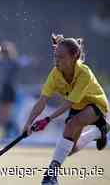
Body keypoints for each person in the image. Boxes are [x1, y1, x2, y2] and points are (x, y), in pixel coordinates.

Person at [23, 34, 110, 185]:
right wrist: (28, 123)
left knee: (72, 123)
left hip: (96, 105)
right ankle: (98, 132)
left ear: (74, 56)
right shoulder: (55, 74)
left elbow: (68, 103)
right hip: (77, 106)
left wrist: (48, 119)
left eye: (61, 57)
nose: (57, 60)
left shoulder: (84, 73)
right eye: (56, 56)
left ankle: (50, 176)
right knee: (68, 150)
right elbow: (42, 100)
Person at [0, 41, 20, 139]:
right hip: (4, 88)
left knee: (8, 113)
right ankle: (9, 132)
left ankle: (14, 131)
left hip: (10, 88)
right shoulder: (2, 62)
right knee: (4, 114)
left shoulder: (13, 62)